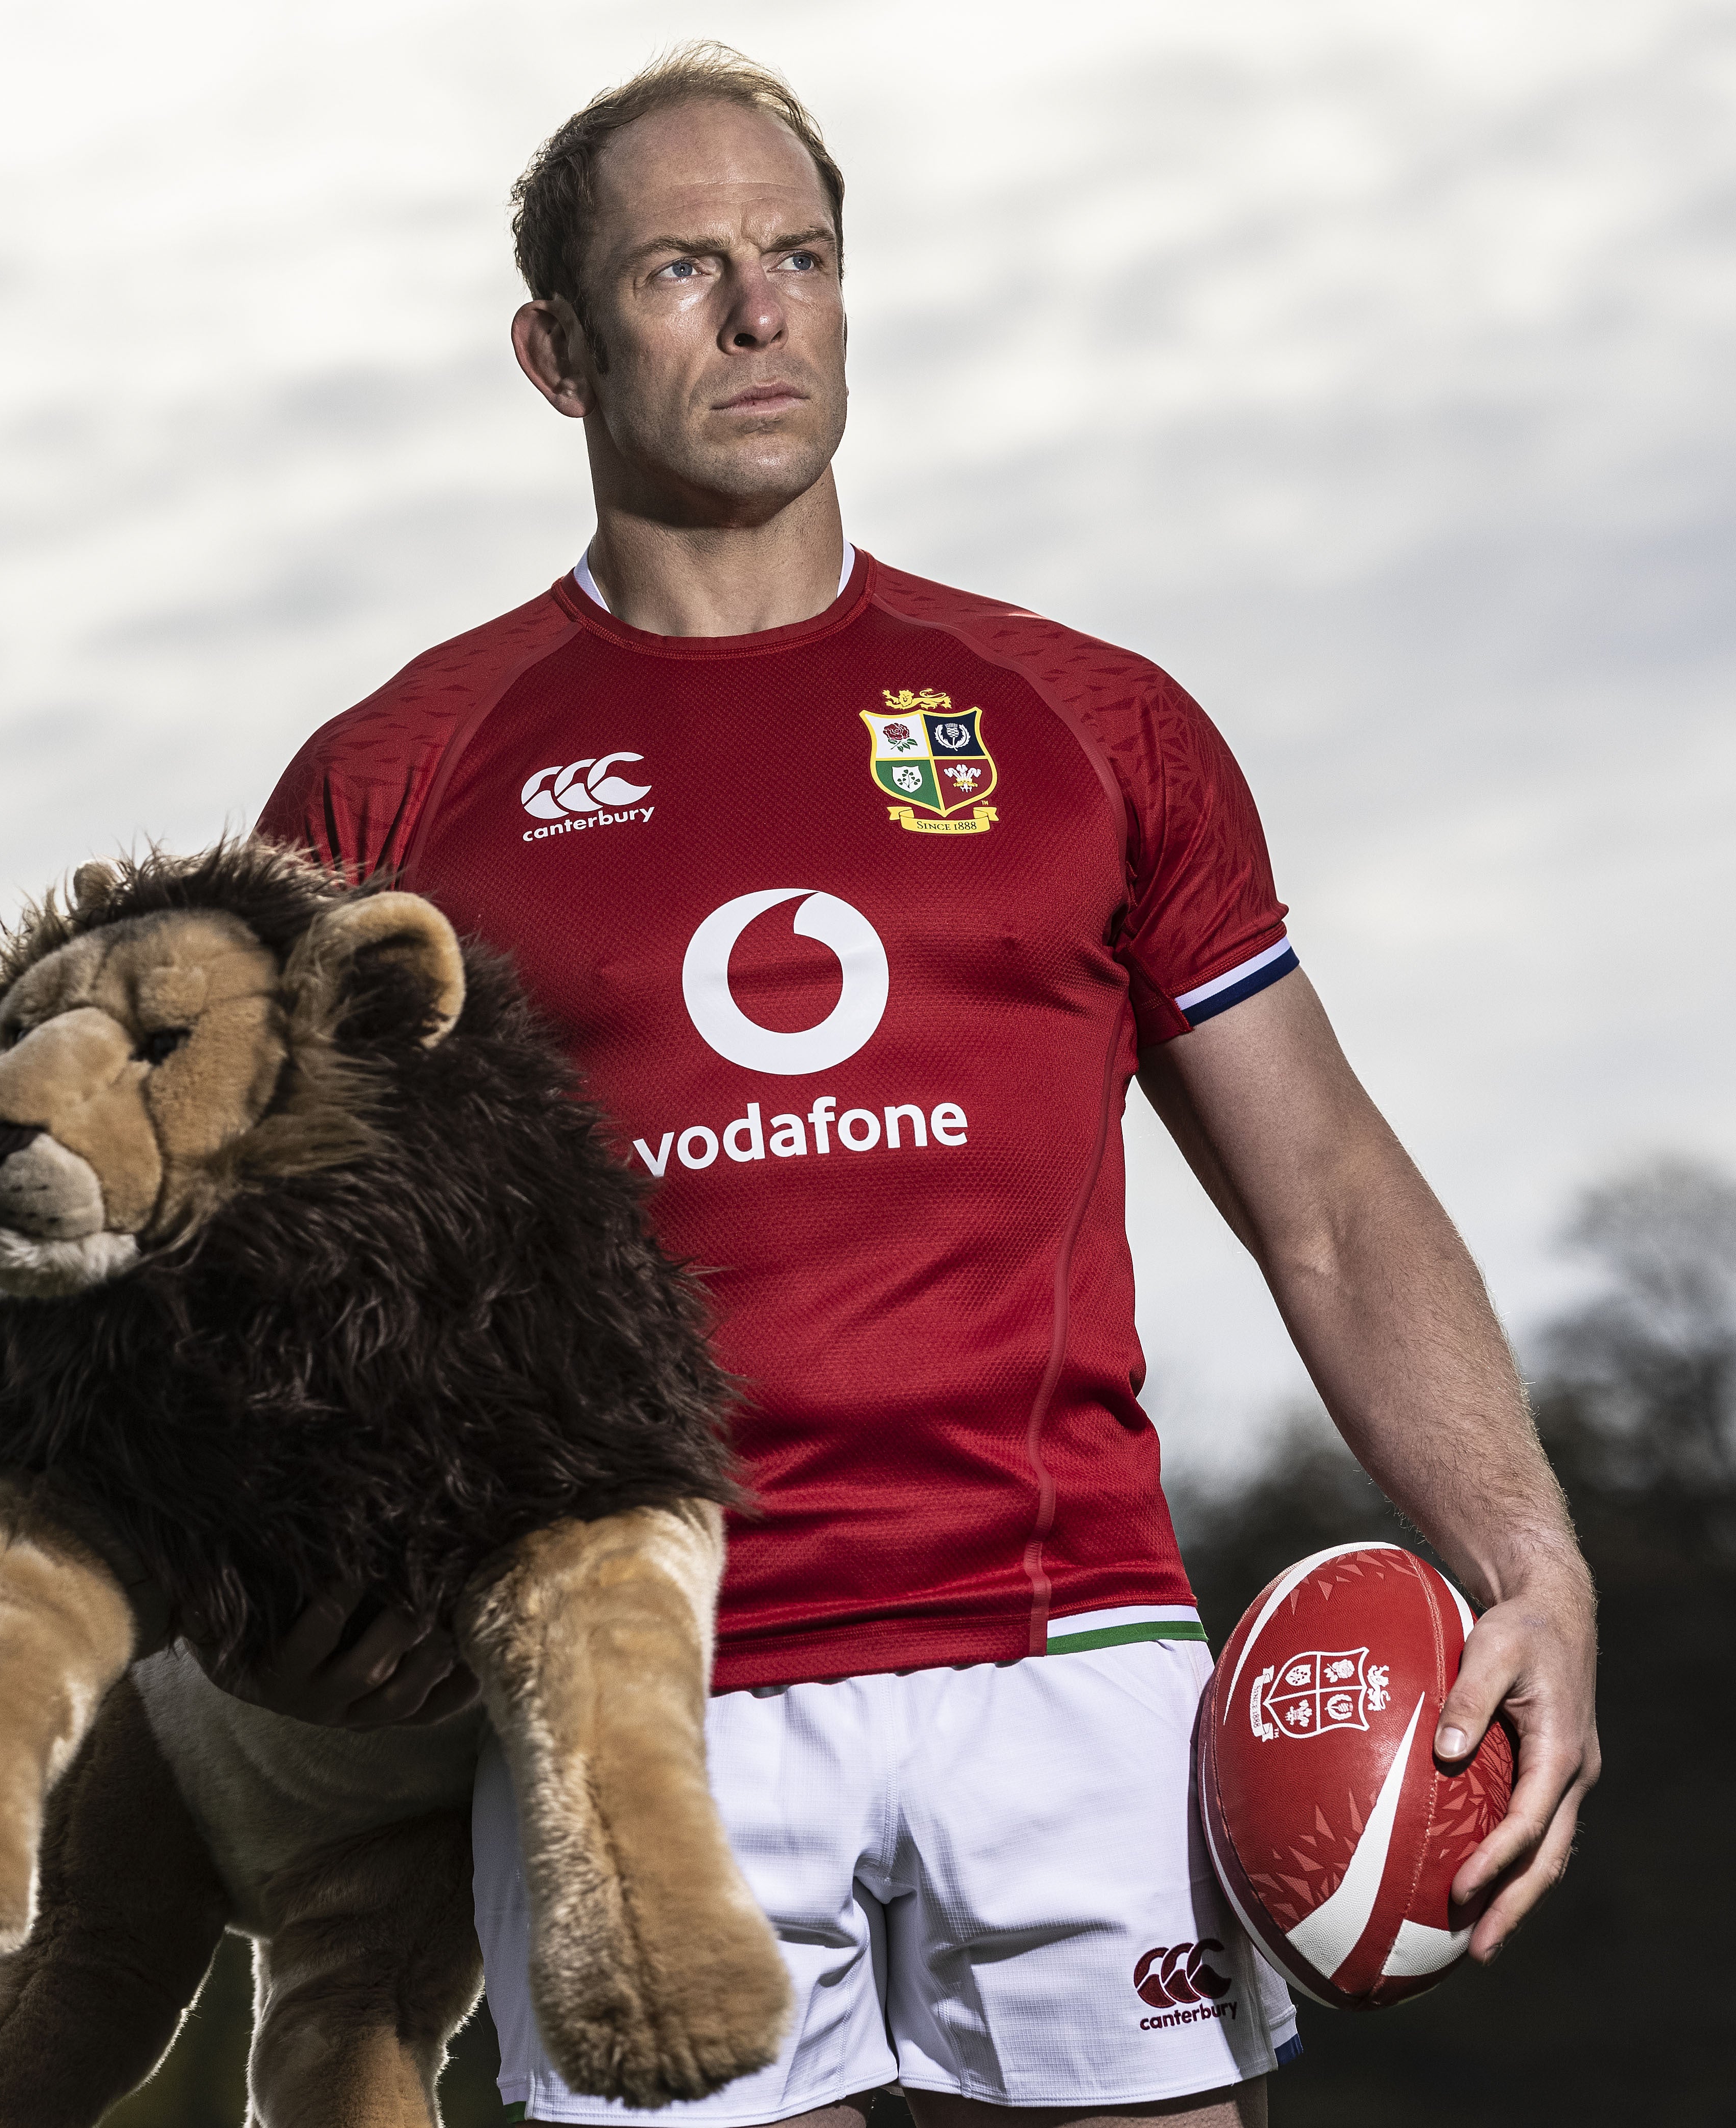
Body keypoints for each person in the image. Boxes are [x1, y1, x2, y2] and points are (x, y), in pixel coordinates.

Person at [244, 44, 1601, 2128]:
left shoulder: (1089, 724)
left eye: (801, 256)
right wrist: (321, 1590)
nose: (764, 311)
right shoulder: (393, 785)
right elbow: (294, 1297)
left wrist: (1526, 1555)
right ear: (555, 350)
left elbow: (1319, 1187)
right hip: (645, 1696)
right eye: (686, 268)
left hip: (1068, 1668)